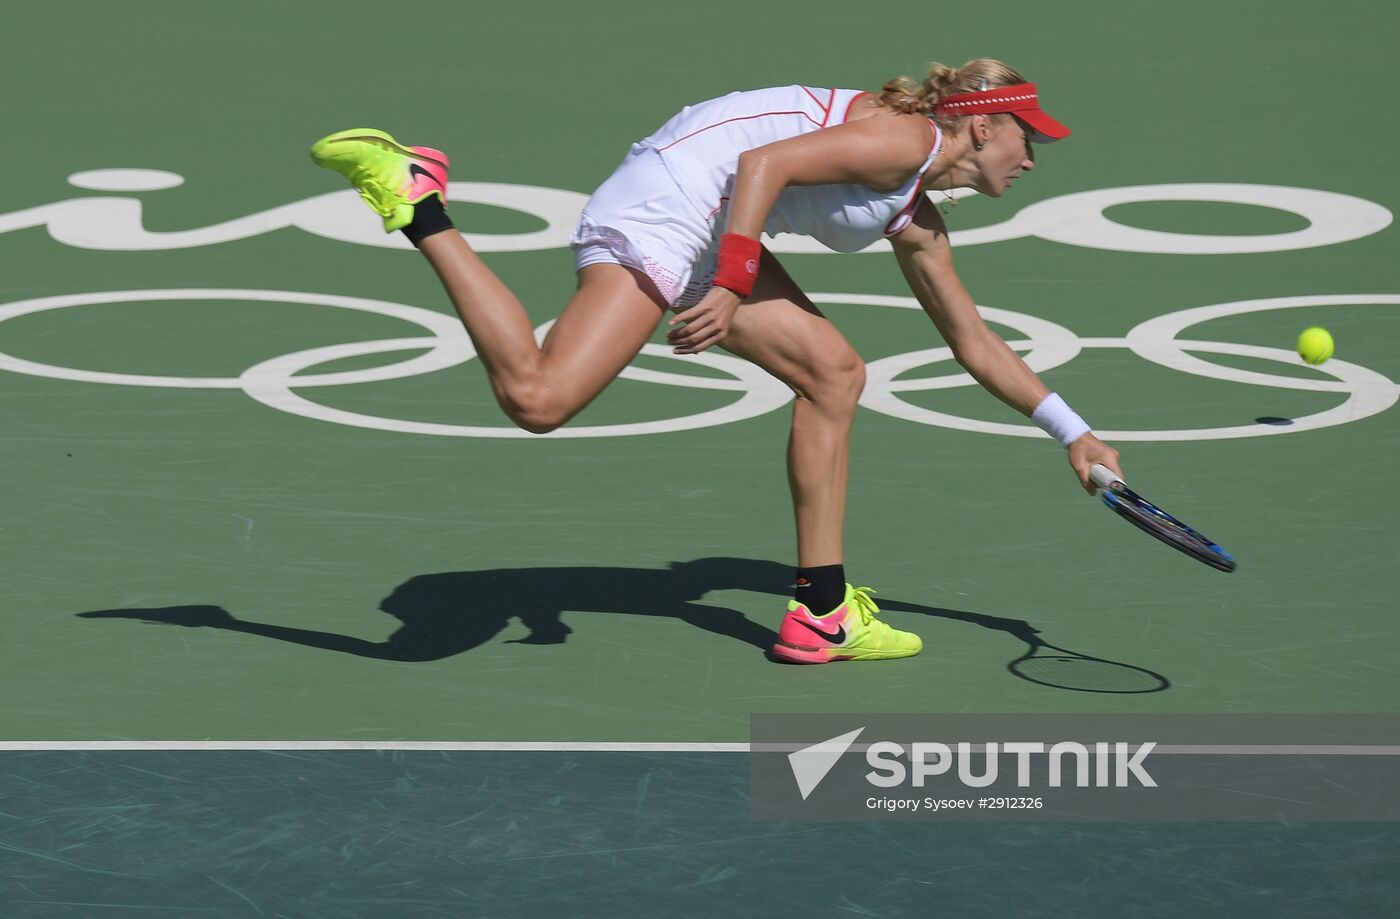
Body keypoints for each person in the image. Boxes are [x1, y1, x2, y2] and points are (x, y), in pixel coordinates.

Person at [309, 58, 1123, 665]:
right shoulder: (902, 138)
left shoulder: (915, 211)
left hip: (709, 215)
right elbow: (759, 167)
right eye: (1029, 137)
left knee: (833, 373)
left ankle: (822, 610)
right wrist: (733, 281)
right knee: (538, 397)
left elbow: (973, 341)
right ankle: (420, 200)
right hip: (674, 204)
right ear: (982, 125)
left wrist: (1072, 434)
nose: (1033, 156)